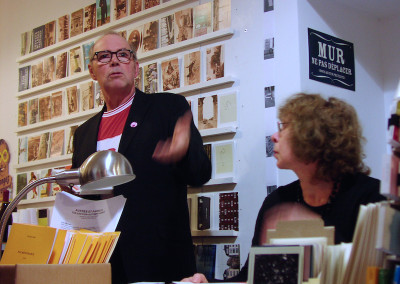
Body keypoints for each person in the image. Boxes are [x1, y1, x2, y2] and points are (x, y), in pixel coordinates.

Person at [181, 93, 386, 283]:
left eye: (283, 127)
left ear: (315, 134)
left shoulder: (372, 198)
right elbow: (252, 276)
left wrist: (316, 236)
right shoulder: (278, 200)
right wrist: (208, 283)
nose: (274, 137)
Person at [70, 31, 211, 283]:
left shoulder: (168, 108)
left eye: (123, 55)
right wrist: (71, 186)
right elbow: (87, 200)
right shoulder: (83, 133)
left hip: (159, 260)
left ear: (136, 68)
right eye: (104, 56)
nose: (114, 61)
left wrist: (183, 153)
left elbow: (201, 174)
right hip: (101, 259)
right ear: (92, 71)